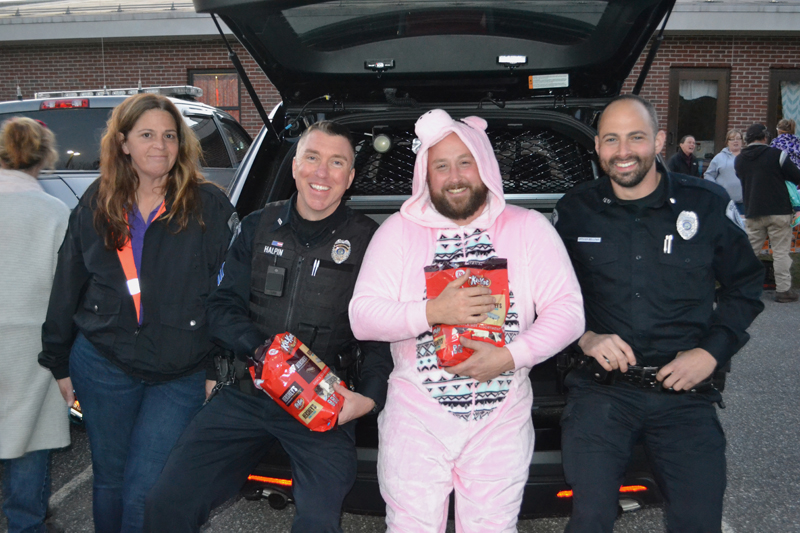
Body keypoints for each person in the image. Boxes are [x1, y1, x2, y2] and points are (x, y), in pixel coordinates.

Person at [143, 121, 392, 533]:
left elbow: (383, 333)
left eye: (336, 163)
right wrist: (262, 353)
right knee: (166, 503)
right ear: (295, 166)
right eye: (312, 158)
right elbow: (221, 306)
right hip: (247, 392)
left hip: (322, 402)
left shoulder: (371, 241)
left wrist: (368, 398)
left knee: (318, 521)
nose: (321, 173)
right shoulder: (257, 226)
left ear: (349, 178)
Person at [348, 109, 585, 532]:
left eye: (465, 162)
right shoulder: (398, 233)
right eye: (441, 165)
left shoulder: (529, 229)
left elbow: (568, 311)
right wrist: (433, 312)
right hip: (416, 418)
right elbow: (362, 317)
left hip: (502, 417)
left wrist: (511, 356)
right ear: (425, 174)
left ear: (486, 167)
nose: (454, 176)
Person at [553, 94, 765, 533]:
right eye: (611, 139)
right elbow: (552, 293)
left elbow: (746, 285)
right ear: (598, 147)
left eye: (636, 137)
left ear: (659, 139)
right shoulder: (575, 211)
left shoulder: (706, 205)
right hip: (602, 394)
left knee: (697, 522)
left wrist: (710, 352)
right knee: (589, 519)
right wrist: (585, 337)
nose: (623, 151)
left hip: (684, 396)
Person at [38, 93, 236, 533]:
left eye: (170, 136)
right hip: (103, 363)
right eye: (147, 135)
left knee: (147, 485)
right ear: (123, 142)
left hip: (179, 371)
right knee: (110, 479)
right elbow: (67, 281)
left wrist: (215, 365)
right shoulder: (98, 200)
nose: (160, 146)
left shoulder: (209, 204)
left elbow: (227, 292)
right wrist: (57, 360)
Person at [0, 118, 70, 533]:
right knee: (30, 435)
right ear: (45, 156)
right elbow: (67, 286)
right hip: (33, 341)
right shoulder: (54, 211)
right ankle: (26, 523)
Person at [735, 122, 800, 303]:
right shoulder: (777, 155)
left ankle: (741, 289)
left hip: (753, 210)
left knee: (750, 252)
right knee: (780, 252)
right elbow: (796, 176)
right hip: (779, 210)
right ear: (765, 137)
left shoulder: (739, 159)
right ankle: (783, 291)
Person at [704, 129, 745, 214]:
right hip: (724, 202)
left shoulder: (748, 157)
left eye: (738, 138)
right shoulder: (719, 157)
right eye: (732, 139)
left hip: (744, 203)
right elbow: (708, 175)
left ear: (742, 141)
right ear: (727, 142)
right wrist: (717, 188)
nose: (735, 141)